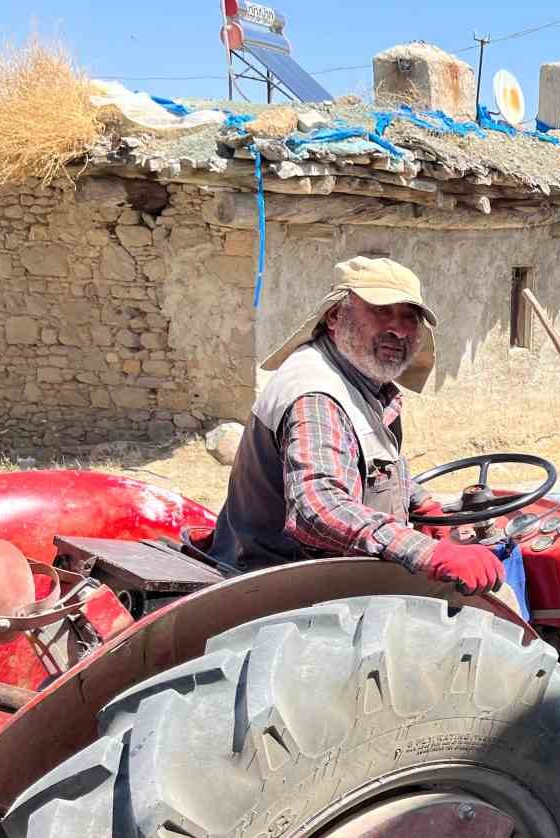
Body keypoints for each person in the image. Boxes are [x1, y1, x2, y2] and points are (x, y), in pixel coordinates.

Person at [209, 255, 503, 597]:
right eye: (381, 311)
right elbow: (319, 508)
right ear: (336, 316)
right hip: (288, 586)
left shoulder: (358, 382)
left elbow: (364, 464)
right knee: (497, 599)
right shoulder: (317, 394)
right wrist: (428, 552)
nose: (398, 328)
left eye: (409, 316)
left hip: (328, 572)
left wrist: (420, 502)